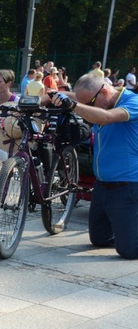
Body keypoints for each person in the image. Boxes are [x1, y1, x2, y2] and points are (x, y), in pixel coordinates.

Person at [52, 74, 138, 259]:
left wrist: (74, 106)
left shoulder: (133, 102)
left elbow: (106, 117)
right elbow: (79, 97)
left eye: (90, 104)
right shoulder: (99, 98)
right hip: (102, 185)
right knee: (99, 239)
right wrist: (52, 95)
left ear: (105, 91)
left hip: (128, 185)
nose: (87, 109)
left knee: (129, 251)